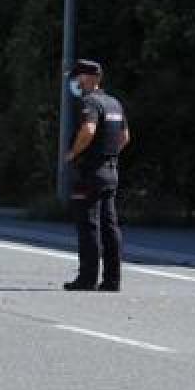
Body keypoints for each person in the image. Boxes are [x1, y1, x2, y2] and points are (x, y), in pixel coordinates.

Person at [63, 59, 130, 292]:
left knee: (89, 225)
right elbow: (124, 138)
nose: (76, 82)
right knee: (110, 226)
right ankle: (112, 280)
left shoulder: (90, 103)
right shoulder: (114, 104)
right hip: (110, 170)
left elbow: (89, 130)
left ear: (90, 78)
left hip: (90, 172)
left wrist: (73, 153)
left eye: (78, 77)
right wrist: (107, 156)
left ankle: (87, 279)